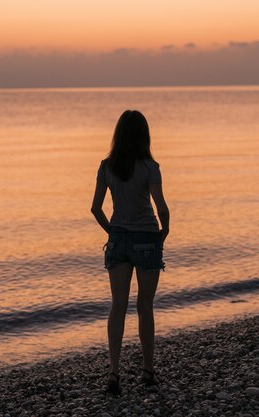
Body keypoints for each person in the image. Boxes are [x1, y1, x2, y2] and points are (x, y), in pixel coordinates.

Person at [91, 110, 170, 395]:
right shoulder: (150, 167)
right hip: (147, 237)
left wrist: (111, 231)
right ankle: (148, 371)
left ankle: (114, 373)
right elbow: (161, 207)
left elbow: (96, 208)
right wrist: (166, 228)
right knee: (145, 306)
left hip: (119, 238)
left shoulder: (106, 166)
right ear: (144, 136)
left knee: (118, 306)